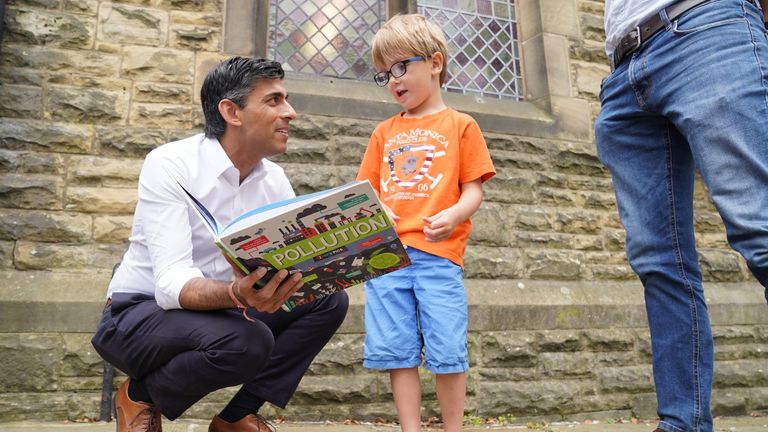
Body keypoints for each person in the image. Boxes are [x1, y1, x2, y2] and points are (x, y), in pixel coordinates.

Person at [91, 56, 349, 432]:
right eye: (274, 101)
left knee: (328, 300)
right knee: (248, 341)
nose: (290, 113)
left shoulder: (274, 180)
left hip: (222, 313)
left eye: (286, 99)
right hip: (136, 315)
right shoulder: (171, 164)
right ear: (231, 111)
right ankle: (140, 394)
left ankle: (236, 417)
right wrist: (239, 294)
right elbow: (170, 285)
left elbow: (287, 267)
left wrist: (344, 254)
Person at [594, 1, 768, 432]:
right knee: (658, 263)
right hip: (623, 66)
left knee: (760, 228)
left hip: (706, 27)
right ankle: (681, 424)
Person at [356, 14, 496, 432]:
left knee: (448, 348)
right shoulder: (384, 132)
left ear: (435, 63)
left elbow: (473, 190)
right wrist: (378, 210)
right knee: (398, 351)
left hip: (438, 256)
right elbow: (367, 193)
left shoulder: (461, 125)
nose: (393, 80)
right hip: (387, 257)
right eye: (384, 75)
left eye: (401, 67)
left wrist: (454, 214)